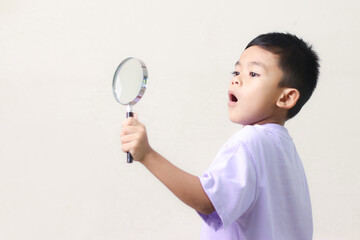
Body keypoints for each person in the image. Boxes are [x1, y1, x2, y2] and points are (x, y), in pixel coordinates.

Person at [120, 32, 320, 240]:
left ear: (286, 97)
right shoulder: (286, 150)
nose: (236, 80)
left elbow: (208, 201)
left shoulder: (250, 142)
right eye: (236, 72)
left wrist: (147, 155)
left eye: (253, 74)